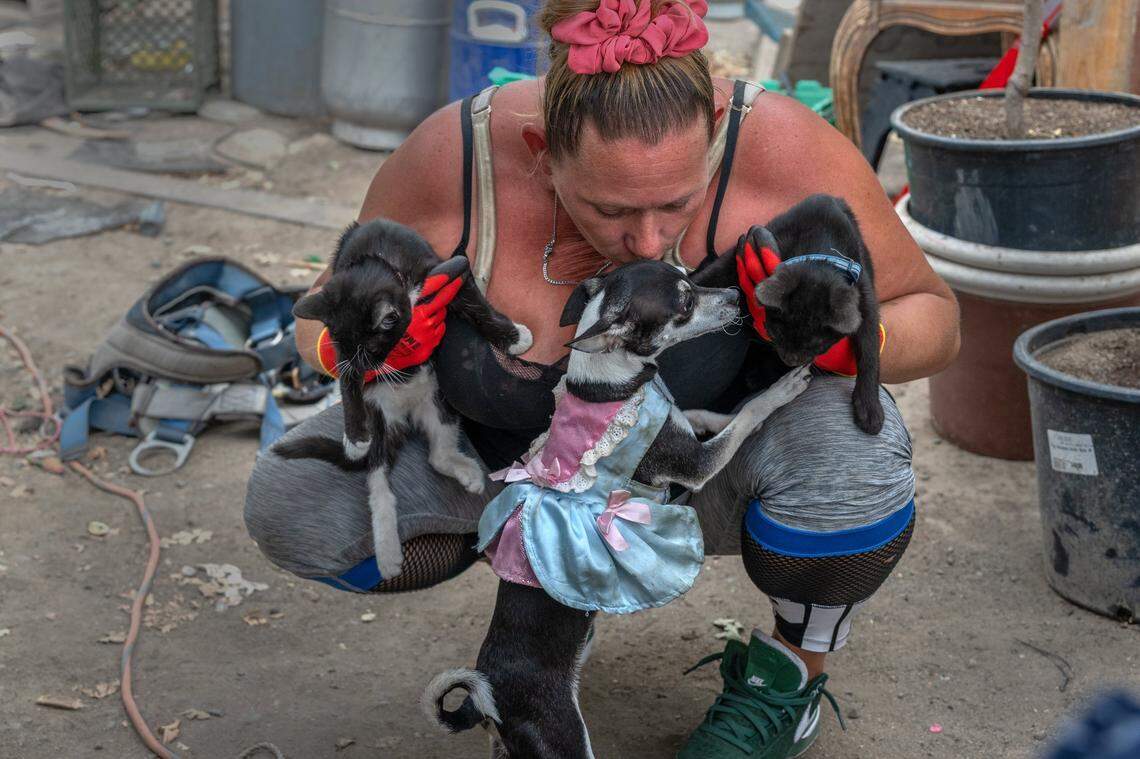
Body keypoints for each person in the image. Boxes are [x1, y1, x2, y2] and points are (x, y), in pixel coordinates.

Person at [244, 1, 959, 756]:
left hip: (693, 474)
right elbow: (317, 321)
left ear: (716, 122)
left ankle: (788, 676)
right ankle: (541, 601)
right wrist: (359, 351)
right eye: (609, 208)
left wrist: (846, 341)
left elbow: (936, 319)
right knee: (298, 501)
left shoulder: (786, 153)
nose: (649, 240)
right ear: (540, 149)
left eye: (675, 204)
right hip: (502, 472)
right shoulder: (452, 162)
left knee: (855, 453)